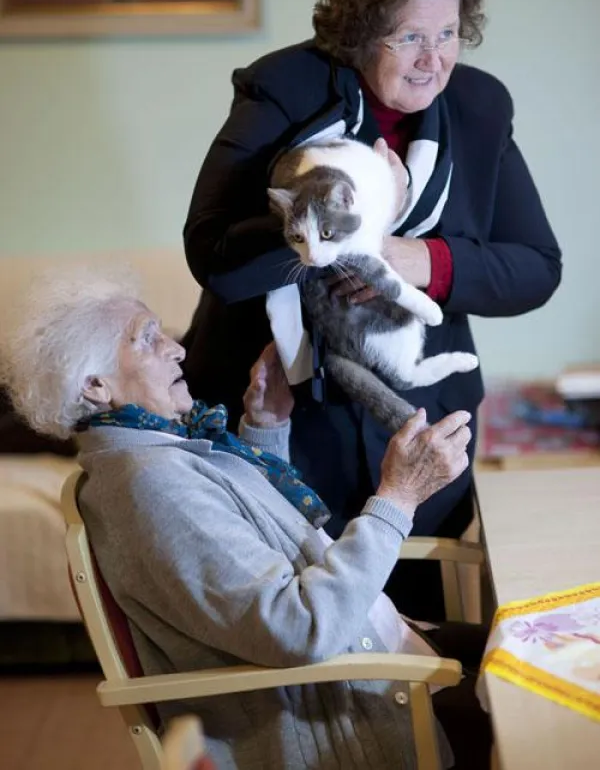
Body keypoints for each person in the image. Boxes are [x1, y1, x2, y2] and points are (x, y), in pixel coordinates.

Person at [181, 0, 562, 618]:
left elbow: (536, 267)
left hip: (419, 406)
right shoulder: (285, 89)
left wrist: (423, 260)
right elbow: (211, 253)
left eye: (448, 33)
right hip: (281, 411)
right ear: (360, 32)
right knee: (304, 623)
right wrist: (333, 234)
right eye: (410, 36)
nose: (433, 58)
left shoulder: (478, 109)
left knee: (420, 626)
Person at [0, 268, 491, 770]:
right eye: (147, 340)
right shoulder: (148, 483)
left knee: (536, 640)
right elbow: (299, 629)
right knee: (544, 706)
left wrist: (264, 428)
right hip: (357, 709)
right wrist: (400, 496)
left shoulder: (152, 451)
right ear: (95, 385)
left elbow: (245, 546)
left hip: (379, 647)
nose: (178, 349)